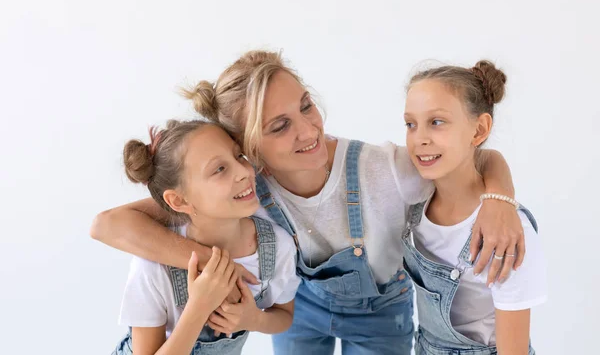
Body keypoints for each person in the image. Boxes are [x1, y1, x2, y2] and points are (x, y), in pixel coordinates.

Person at [92, 50, 526, 354]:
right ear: (247, 149)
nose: (308, 129)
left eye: (305, 106)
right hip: (301, 312)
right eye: (280, 126)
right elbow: (108, 225)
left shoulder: (384, 169)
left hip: (381, 314)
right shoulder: (245, 191)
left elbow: (474, 153)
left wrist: (500, 196)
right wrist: (208, 262)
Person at [111, 120, 300, 354]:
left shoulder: (276, 246)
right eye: (219, 169)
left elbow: (284, 315)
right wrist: (199, 307)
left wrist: (254, 320)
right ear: (179, 201)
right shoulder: (153, 269)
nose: (244, 172)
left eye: (239, 156)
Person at [402, 61, 547, 354]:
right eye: (410, 124)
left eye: (437, 121)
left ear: (479, 130)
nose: (420, 138)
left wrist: (500, 199)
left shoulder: (507, 233)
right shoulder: (412, 193)